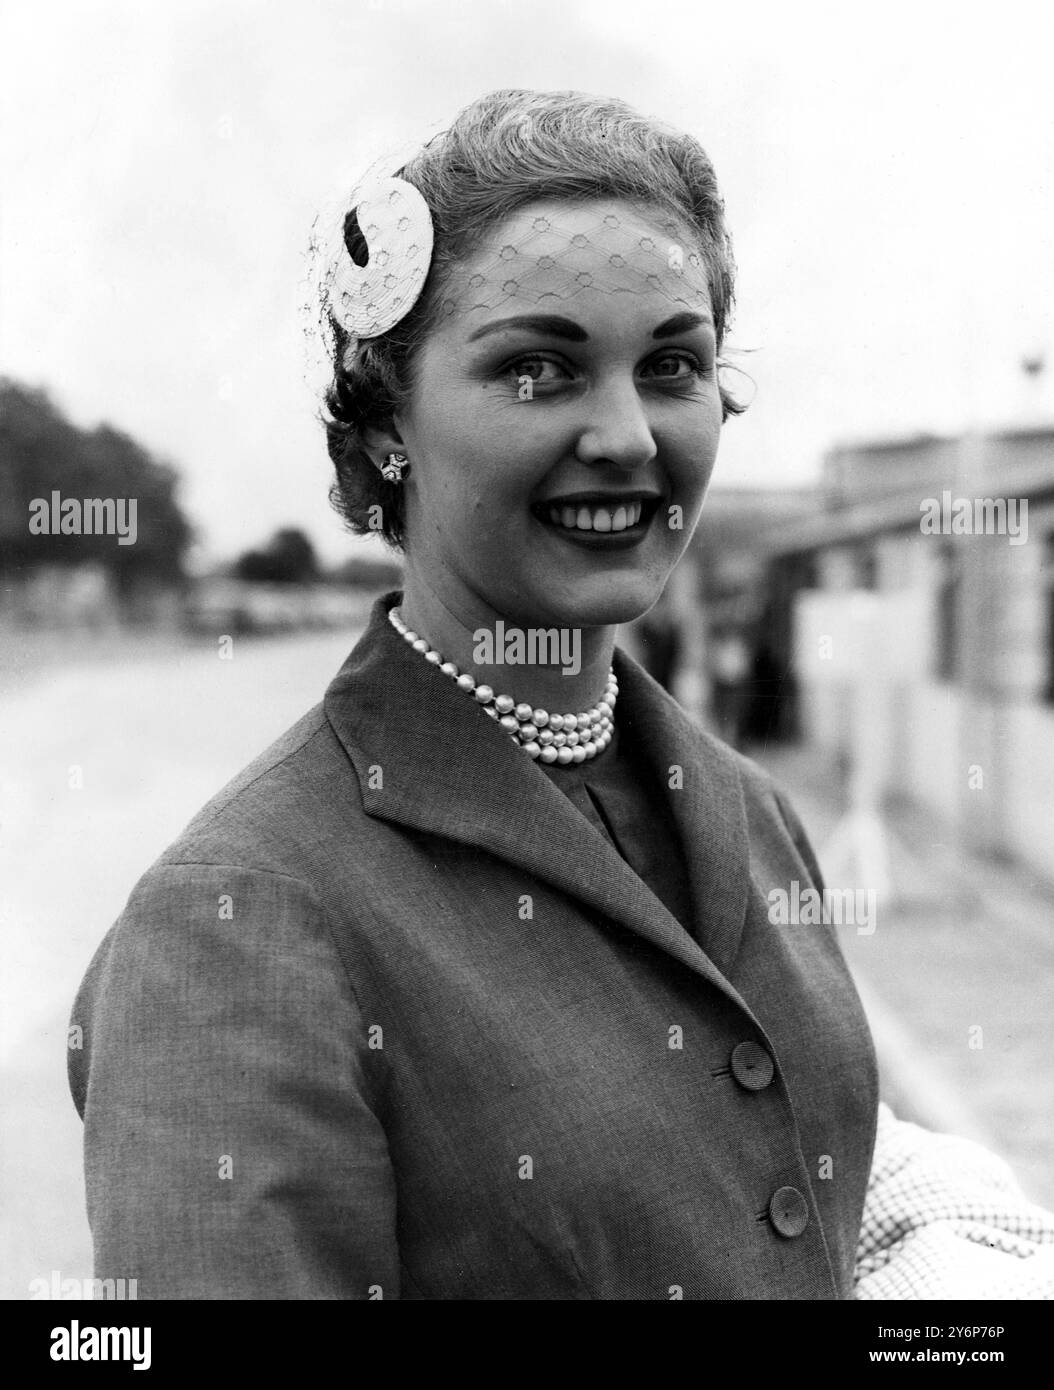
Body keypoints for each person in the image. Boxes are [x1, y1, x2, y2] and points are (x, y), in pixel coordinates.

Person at [68, 88, 1054, 1300]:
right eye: (538, 369)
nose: (629, 436)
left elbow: (823, 1185)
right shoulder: (238, 922)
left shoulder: (746, 815)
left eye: (674, 365)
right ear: (388, 431)